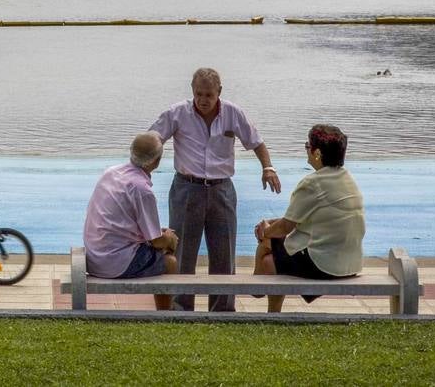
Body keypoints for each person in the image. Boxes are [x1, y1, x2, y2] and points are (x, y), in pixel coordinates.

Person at [149, 67, 281, 312]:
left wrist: (268, 168)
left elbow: (257, 142)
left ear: (219, 92)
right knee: (183, 251)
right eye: (199, 94)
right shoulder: (177, 113)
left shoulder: (233, 113)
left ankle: (222, 309)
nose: (203, 100)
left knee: (224, 251)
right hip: (187, 188)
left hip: (222, 190)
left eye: (209, 94)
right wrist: (142, 169)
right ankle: (181, 308)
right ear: (192, 91)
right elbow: (152, 139)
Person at [253, 124, 365, 312]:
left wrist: (265, 230)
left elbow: (285, 228)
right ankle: (269, 303)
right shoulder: (347, 178)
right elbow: (313, 217)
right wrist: (274, 224)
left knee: (267, 246)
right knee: (275, 254)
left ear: (317, 153)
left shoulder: (312, 183)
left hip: (325, 265)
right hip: (352, 262)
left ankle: (257, 287)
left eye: (308, 145)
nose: (306, 149)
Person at [83, 132, 180, 310]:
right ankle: (166, 313)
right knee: (171, 261)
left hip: (94, 256)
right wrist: (170, 239)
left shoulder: (111, 173)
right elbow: (156, 241)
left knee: (163, 241)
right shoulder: (142, 189)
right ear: (156, 161)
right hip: (115, 263)